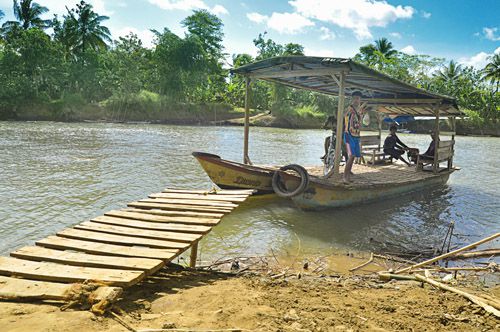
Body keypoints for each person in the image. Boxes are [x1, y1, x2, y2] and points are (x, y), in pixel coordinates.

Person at [343, 91, 365, 183]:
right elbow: (344, 116)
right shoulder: (349, 109)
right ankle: (345, 177)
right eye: (355, 98)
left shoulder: (360, 111)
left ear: (360, 100)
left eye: (358, 98)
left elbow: (360, 124)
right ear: (352, 99)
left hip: (356, 136)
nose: (356, 100)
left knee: (354, 156)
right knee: (351, 155)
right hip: (348, 135)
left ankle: (348, 176)